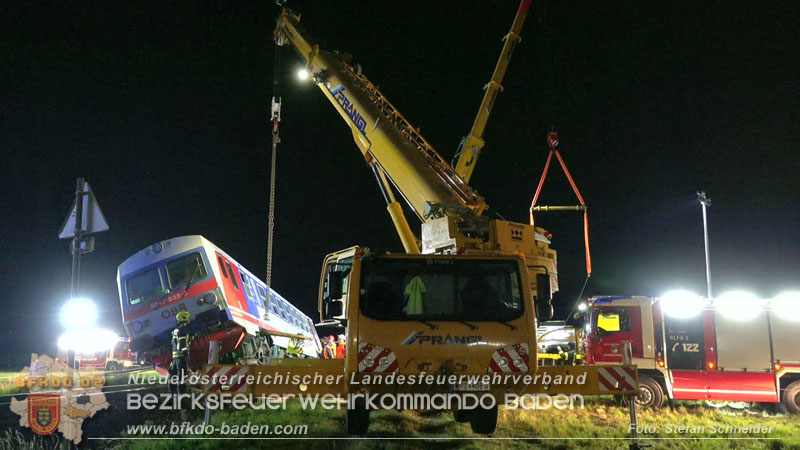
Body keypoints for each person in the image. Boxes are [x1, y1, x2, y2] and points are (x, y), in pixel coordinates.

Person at [169, 311, 191, 394]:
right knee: (182, 374)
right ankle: (181, 392)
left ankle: (172, 391)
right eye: (188, 319)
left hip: (175, 356)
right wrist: (186, 353)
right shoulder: (182, 330)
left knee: (173, 373)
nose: (189, 321)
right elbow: (182, 343)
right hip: (181, 356)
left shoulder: (175, 330)